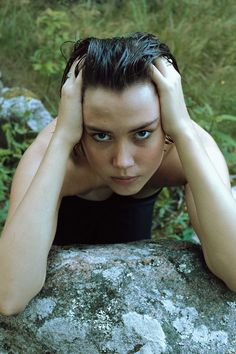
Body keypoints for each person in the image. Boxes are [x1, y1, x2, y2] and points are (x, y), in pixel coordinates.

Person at [0, 32, 236, 316]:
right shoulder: (56, 154)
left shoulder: (183, 146)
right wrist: (62, 138)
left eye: (143, 133)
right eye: (101, 135)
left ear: (167, 117)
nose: (123, 161)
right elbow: (9, 295)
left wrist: (184, 131)